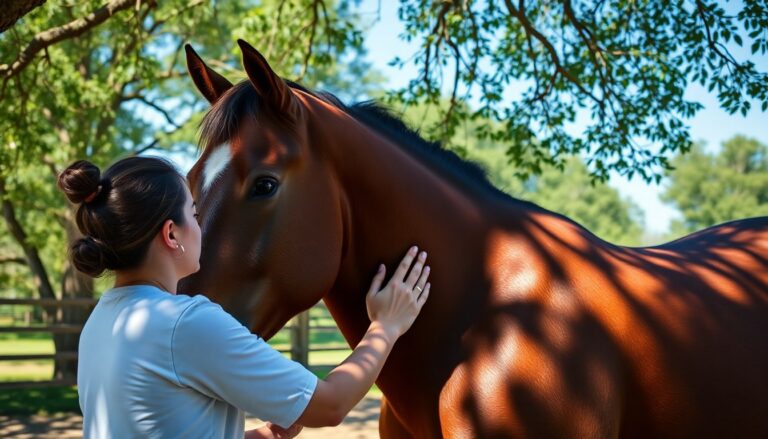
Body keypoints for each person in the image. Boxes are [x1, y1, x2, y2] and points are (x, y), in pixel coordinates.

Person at [58, 156, 431, 438]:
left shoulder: (103, 320)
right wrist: (385, 326)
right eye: (194, 212)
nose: (200, 225)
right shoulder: (185, 323)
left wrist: (264, 434)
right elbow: (329, 406)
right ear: (172, 235)